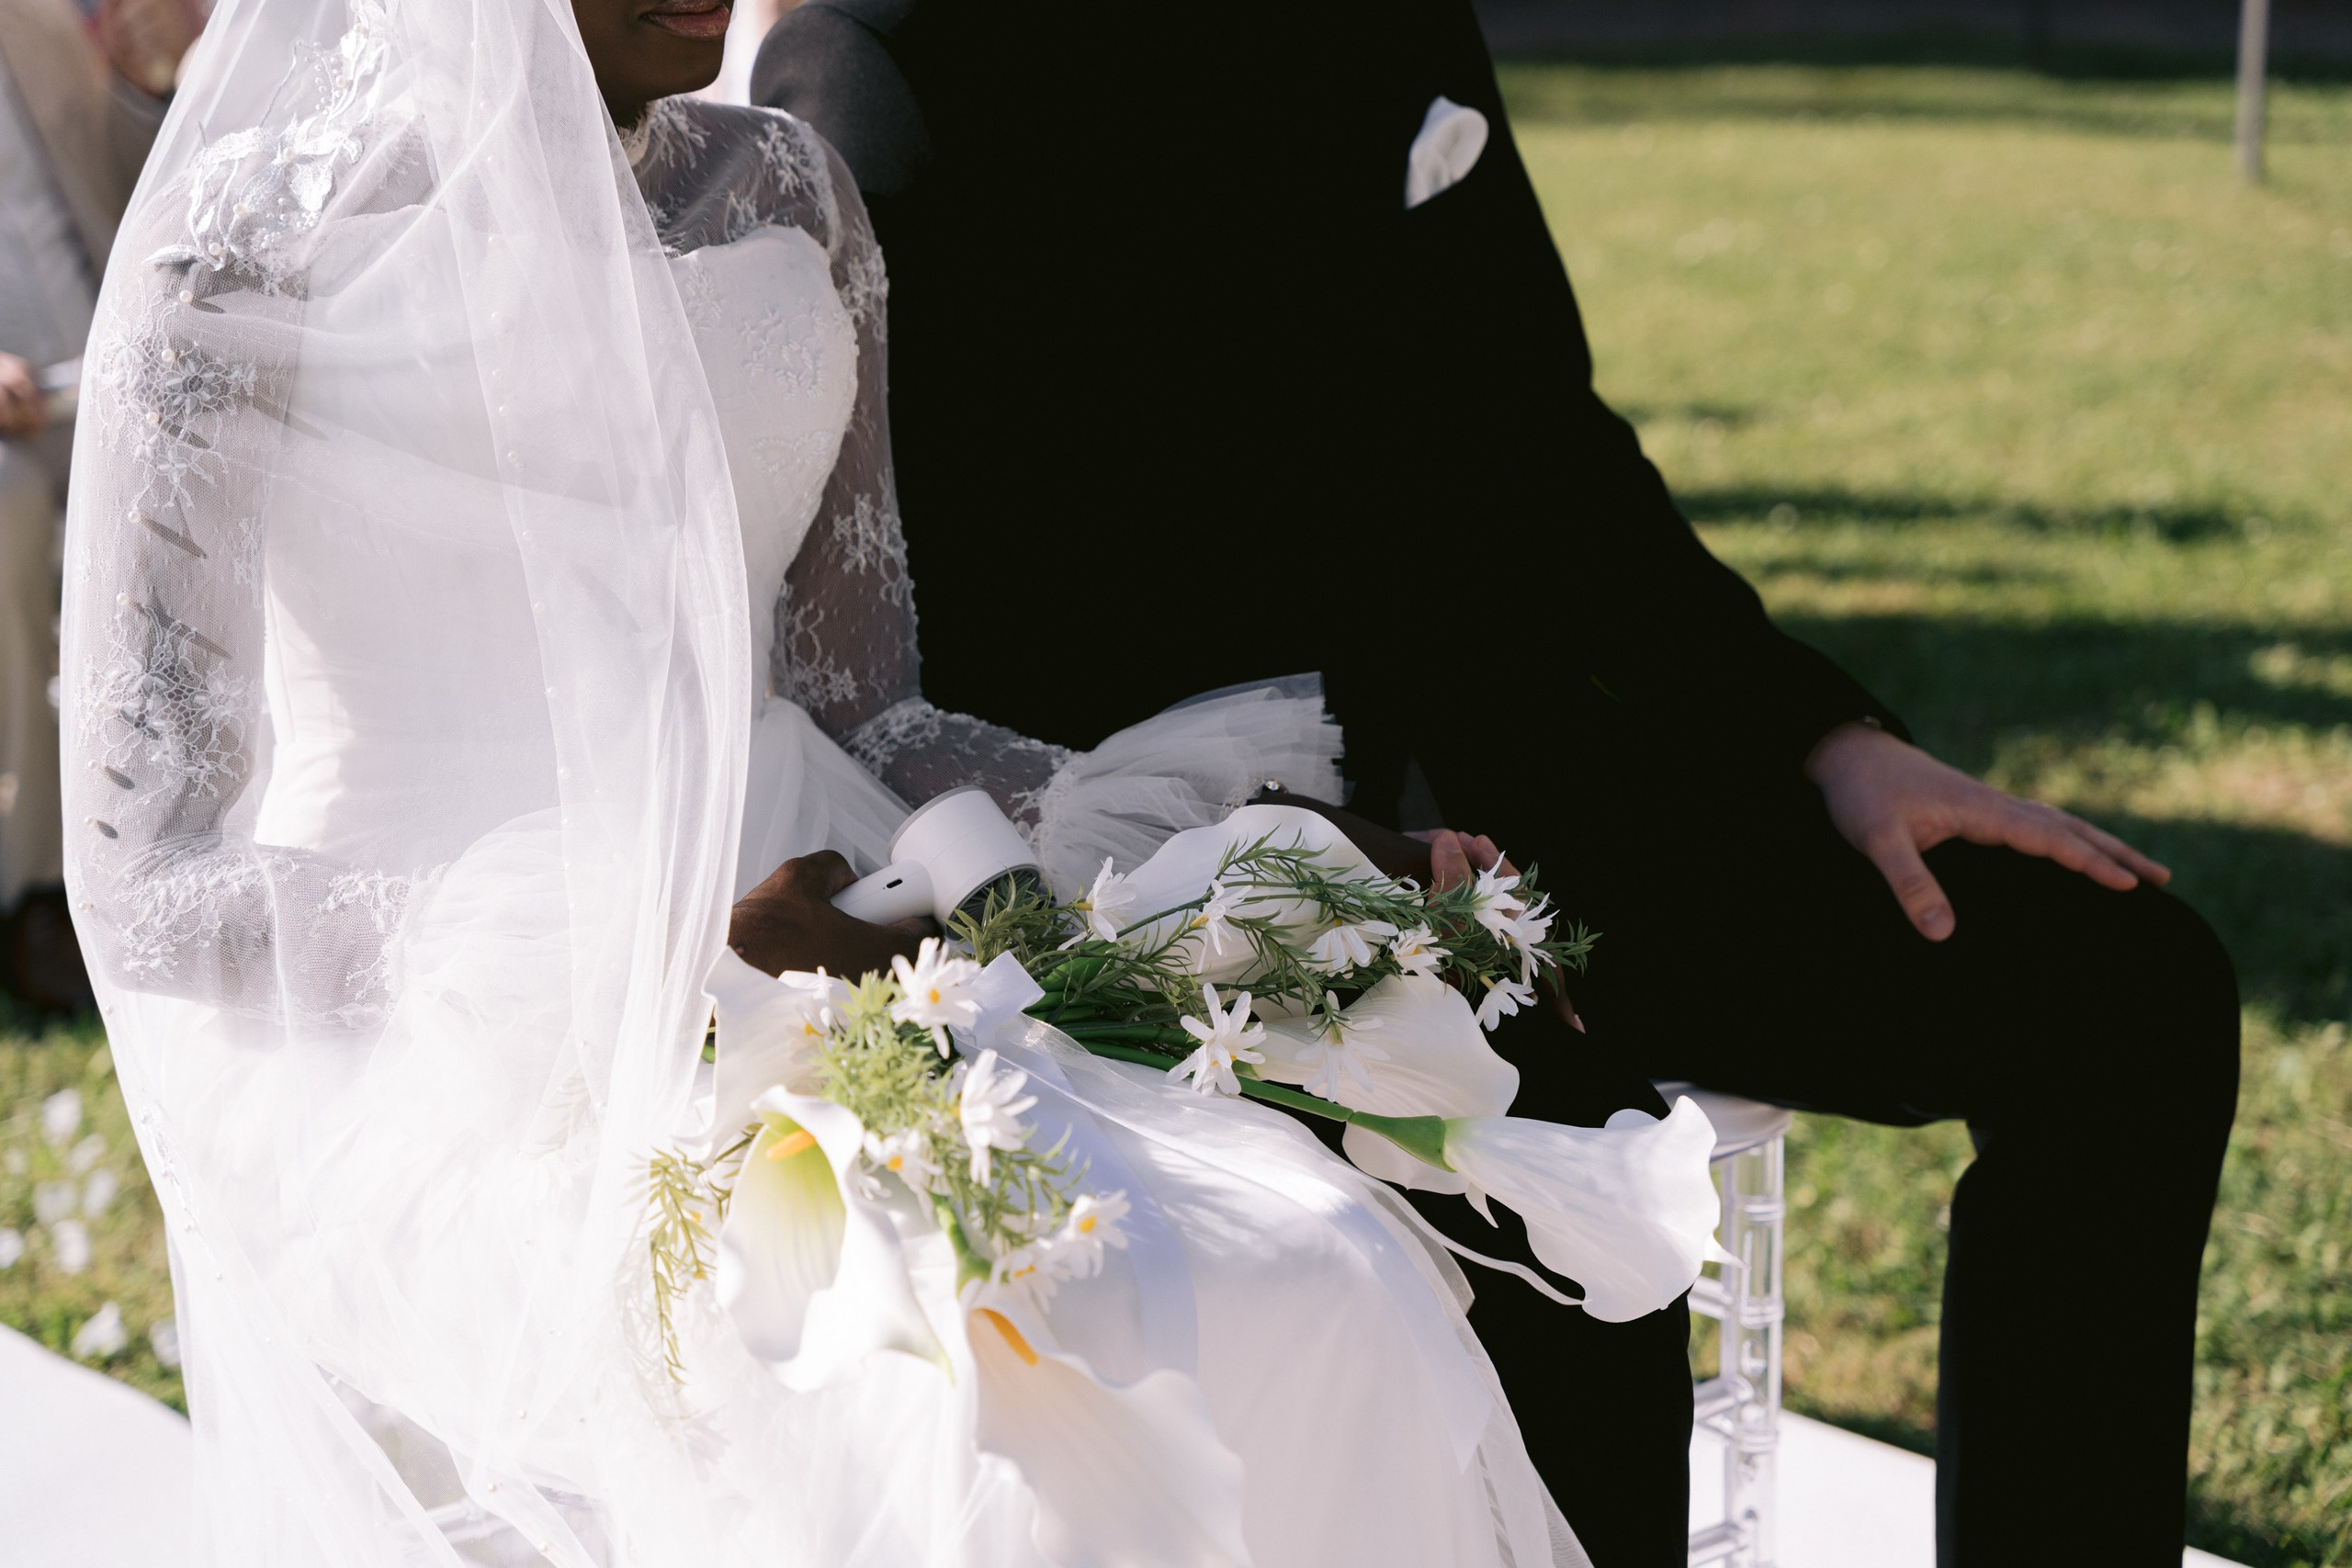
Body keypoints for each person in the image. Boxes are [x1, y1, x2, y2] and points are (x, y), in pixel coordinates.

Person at [59, 0, 1693, 1562]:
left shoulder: (782, 186)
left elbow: (869, 708)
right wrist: (655, 963)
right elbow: (148, 880)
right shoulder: (236, 252)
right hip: (430, 1030)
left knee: (1316, 1270)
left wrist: (1255, 842)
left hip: (842, 923)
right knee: (912, 1391)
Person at [751, 4, 2242, 1563]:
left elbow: (1547, 436)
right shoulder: (883, 65)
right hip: (1198, 867)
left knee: (2127, 989)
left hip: (1541, 800)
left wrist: (1824, 734)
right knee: (1572, 1195)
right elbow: (919, 621)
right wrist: (1308, 887)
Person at [0, 0, 198, 1011]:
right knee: (11, 507)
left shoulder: (34, 28)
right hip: (12, 431)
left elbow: (140, 183)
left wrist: (142, 79)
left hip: (108, 382)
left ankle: (179, 844)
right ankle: (37, 882)